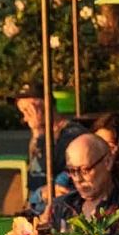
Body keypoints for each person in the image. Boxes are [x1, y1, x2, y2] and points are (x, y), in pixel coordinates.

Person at [39, 131, 119, 235]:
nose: (78, 178)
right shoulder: (62, 206)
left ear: (107, 162)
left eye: (85, 170)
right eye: (72, 171)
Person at [14, 84, 87, 212]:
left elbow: (60, 184)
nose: (25, 118)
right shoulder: (41, 136)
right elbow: (35, 180)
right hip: (37, 207)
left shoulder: (71, 136)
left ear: (43, 107)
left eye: (28, 111)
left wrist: (38, 133)